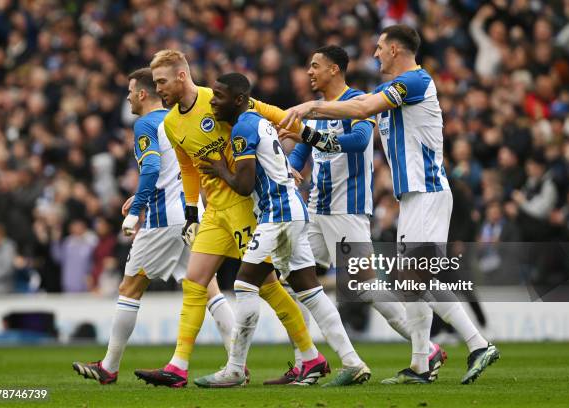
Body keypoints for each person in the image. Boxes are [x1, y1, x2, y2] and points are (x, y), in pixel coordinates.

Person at [280, 25, 499, 385]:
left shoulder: (415, 82)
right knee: (410, 280)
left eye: (380, 47)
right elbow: (356, 107)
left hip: (428, 191)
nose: (376, 53)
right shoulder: (386, 90)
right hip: (411, 197)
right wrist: (311, 125)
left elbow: (363, 108)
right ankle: (423, 364)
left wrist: (309, 107)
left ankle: (475, 344)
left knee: (410, 277)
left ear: (395, 49)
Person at [133, 50, 326, 388]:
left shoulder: (217, 99)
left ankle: (311, 357)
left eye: (161, 81)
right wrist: (192, 212)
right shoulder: (170, 123)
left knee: (267, 286)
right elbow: (189, 168)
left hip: (243, 206)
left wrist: (308, 136)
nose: (157, 88)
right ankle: (177, 367)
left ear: (181, 76)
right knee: (194, 282)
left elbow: (266, 111)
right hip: (214, 212)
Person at [270, 45, 445, 384]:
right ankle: (306, 361)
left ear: (334, 69)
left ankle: (426, 348)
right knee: (294, 281)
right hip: (317, 209)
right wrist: (291, 168)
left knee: (365, 288)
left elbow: (357, 142)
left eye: (315, 66)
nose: (309, 72)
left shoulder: (357, 103)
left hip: (347, 210)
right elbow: (302, 148)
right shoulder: (319, 110)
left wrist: (307, 133)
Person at [193, 72, 372, 388]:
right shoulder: (258, 119)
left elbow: (246, 186)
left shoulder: (244, 127)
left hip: (277, 214)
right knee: (310, 291)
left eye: (218, 96)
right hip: (293, 210)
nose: (212, 102)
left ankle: (235, 368)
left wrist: (221, 169)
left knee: (245, 284)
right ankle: (353, 362)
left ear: (238, 100)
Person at [72, 68, 234, 384]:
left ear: (143, 94)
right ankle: (237, 363)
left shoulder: (146, 123)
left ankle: (109, 366)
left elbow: (152, 167)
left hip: (163, 220)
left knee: (130, 288)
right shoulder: (176, 118)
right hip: (192, 211)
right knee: (208, 285)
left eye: (131, 91)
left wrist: (138, 207)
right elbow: (174, 169)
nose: (129, 97)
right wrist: (140, 195)